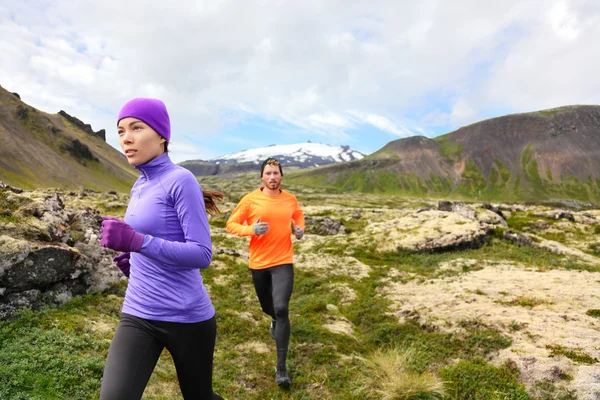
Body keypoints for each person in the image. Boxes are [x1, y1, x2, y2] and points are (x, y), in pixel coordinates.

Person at [98, 97, 223, 400]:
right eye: (120, 131)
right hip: (138, 311)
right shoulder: (140, 184)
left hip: (186, 317)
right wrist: (134, 257)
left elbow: (201, 254)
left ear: (162, 135)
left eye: (136, 128)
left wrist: (137, 242)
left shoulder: (181, 181)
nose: (126, 138)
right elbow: (153, 239)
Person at [225, 158, 304, 387]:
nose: (272, 177)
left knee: (282, 308)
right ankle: (273, 320)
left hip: (283, 261)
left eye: (276, 173)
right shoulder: (250, 200)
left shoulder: (290, 199)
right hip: (259, 263)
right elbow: (231, 224)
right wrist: (252, 229)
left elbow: (297, 215)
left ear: (281, 176)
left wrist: (299, 229)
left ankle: (281, 369)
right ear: (262, 176)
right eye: (268, 173)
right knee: (268, 307)